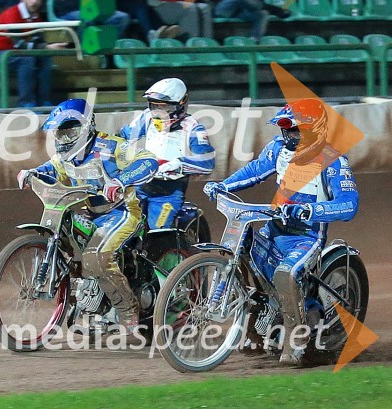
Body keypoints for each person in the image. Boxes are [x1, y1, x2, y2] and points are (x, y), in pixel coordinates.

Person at [203, 98, 359, 365]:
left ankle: (297, 340)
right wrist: (223, 185)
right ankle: (255, 320)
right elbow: (255, 171)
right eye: (286, 128)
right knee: (243, 250)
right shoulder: (277, 149)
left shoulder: (334, 161)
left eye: (295, 129)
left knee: (285, 274)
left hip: (306, 237)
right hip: (273, 228)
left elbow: (349, 204)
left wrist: (313, 211)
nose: (288, 135)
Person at [18, 98, 159, 331]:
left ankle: (128, 310)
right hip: (92, 213)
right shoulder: (65, 157)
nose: (64, 139)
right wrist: (31, 172)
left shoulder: (112, 147)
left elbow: (148, 160)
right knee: (69, 239)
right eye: (60, 134)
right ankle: (88, 301)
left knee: (96, 256)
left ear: (86, 128)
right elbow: (50, 169)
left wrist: (120, 180)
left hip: (123, 212)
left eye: (70, 132)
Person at [119, 78, 215, 230]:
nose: (158, 112)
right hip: (140, 184)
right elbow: (123, 136)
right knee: (117, 218)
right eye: (154, 106)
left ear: (180, 104)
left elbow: (207, 162)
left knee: (158, 233)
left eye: (164, 108)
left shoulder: (193, 128)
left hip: (168, 192)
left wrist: (178, 164)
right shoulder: (146, 117)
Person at [0, 0, 51, 107]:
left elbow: (37, 42)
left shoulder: (36, 17)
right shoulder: (12, 13)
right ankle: (26, 103)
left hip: (11, 52)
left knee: (45, 57)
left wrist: (48, 47)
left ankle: (43, 100)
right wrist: (46, 47)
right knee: (27, 60)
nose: (35, 1)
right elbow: (18, 43)